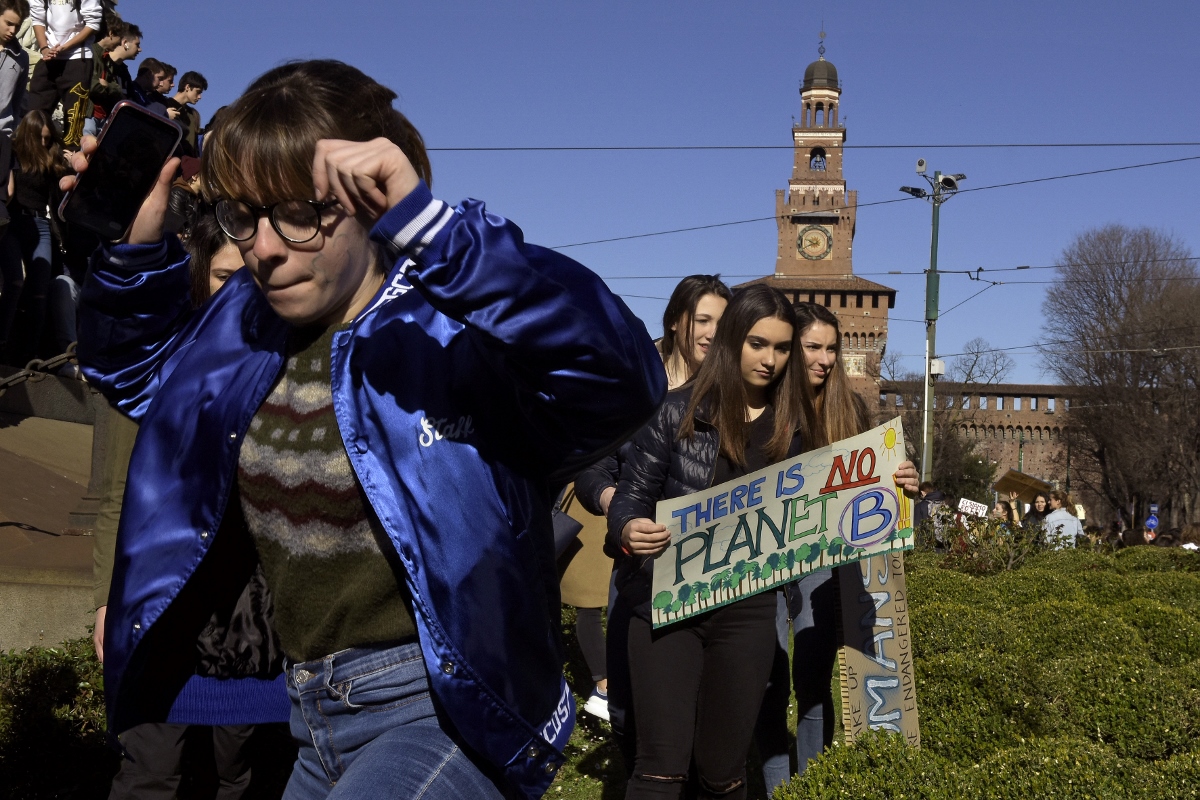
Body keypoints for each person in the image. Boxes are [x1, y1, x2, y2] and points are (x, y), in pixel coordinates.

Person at [71, 59, 665, 799]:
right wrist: (132, 255)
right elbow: (142, 379)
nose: (264, 247)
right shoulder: (245, 323)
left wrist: (438, 237)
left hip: (444, 709)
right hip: (307, 715)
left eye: (296, 212)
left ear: (373, 204)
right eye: (243, 217)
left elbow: (619, 375)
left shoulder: (453, 328)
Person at [95, 212, 288, 800]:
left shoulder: (277, 362)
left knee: (242, 774)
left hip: (248, 620)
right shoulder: (154, 370)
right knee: (150, 772)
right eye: (224, 276)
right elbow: (111, 499)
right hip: (160, 608)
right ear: (198, 276)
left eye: (249, 280)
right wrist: (107, 597)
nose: (237, 296)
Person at [607, 285, 819, 800]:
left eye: (782, 347)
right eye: (757, 344)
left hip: (747, 614)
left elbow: (832, 494)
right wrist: (629, 528)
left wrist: (890, 483)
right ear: (730, 341)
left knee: (722, 772)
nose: (771, 360)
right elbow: (629, 499)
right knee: (660, 768)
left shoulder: (795, 427)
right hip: (665, 606)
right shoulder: (673, 411)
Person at [753, 301, 918, 792]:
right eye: (812, 348)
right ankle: (776, 784)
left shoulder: (851, 409)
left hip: (821, 565)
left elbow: (879, 481)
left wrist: (904, 480)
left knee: (812, 676)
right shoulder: (759, 408)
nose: (824, 359)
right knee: (767, 678)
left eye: (831, 348)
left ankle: (811, 781)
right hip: (759, 561)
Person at [574, 273, 731, 771]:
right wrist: (615, 503)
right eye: (702, 319)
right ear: (676, 322)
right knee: (626, 697)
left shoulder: (735, 395)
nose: (711, 332)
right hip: (638, 562)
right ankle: (635, 765)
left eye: (722, 323)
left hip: (711, 568)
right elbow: (592, 466)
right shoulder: (634, 390)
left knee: (698, 695)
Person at [0, 109, 67, 365]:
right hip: (15, 221)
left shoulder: (51, 159)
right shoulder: (13, 153)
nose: (43, 143)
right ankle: (3, 341)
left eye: (48, 139)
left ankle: (30, 352)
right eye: (40, 138)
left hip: (40, 224)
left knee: (40, 290)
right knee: (15, 282)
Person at [27, 0, 102, 147]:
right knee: (34, 115)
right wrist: (44, 48)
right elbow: (37, 17)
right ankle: (31, 159)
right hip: (49, 58)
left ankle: (69, 163)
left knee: (74, 121)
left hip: (78, 58)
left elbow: (93, 23)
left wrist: (65, 47)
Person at [167, 70, 206, 156]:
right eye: (198, 92)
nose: (199, 97)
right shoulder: (164, 106)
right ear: (187, 87)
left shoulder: (192, 114)